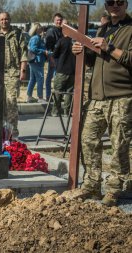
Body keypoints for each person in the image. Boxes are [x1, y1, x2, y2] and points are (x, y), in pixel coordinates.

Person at [72, 0, 132, 207]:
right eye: (110, 2)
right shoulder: (103, 28)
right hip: (97, 96)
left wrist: (110, 47)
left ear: (126, 4)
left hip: (122, 95)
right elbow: (96, 60)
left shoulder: (131, 28)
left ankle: (114, 189)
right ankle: (91, 185)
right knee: (88, 139)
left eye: (119, 2)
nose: (114, 5)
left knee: (119, 145)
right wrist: (82, 51)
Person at [0, 12, 28, 138]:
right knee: (0, 103)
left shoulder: (18, 34)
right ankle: (2, 133)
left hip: (12, 72)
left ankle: (13, 134)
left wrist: (23, 71)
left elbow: (24, 53)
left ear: (10, 20)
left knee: (11, 102)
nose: (4, 21)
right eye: (2, 19)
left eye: (6, 19)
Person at [51, 20, 75, 117]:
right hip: (72, 71)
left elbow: (55, 55)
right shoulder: (75, 42)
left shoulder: (61, 41)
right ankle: (67, 112)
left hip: (61, 70)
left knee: (57, 91)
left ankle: (55, 111)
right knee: (69, 92)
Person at [26, 22, 48, 103]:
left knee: (33, 79)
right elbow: (33, 48)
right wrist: (44, 51)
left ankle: (29, 96)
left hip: (34, 61)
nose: (42, 29)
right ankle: (40, 97)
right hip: (36, 61)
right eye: (40, 28)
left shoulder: (37, 37)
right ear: (36, 29)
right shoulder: (36, 38)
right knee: (40, 78)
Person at [45, 13, 63, 101]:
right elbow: (47, 47)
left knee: (58, 78)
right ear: (54, 21)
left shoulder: (63, 30)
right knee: (50, 77)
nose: (59, 21)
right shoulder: (51, 31)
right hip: (53, 58)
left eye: (60, 20)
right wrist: (51, 58)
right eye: (57, 20)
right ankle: (48, 96)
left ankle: (57, 96)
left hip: (61, 58)